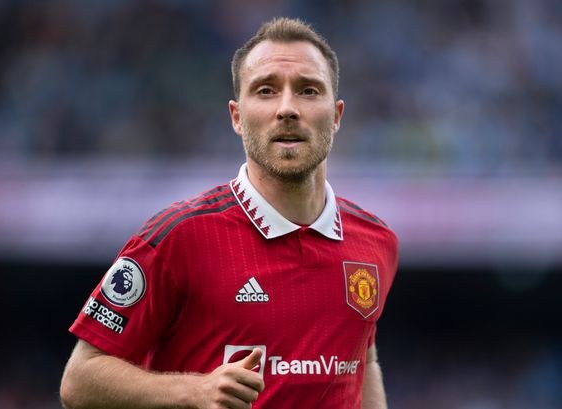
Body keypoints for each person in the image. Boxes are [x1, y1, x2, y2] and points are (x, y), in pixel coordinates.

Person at [60, 17, 398, 409]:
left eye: (308, 90)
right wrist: (195, 391)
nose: (287, 108)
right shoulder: (179, 237)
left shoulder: (376, 241)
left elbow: (363, 361)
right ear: (237, 117)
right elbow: (79, 380)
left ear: (336, 116)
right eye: (266, 90)